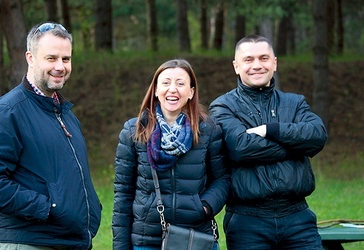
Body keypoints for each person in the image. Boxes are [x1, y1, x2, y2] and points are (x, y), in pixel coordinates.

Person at [0, 22, 102, 250]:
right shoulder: (8, 111)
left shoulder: (66, 115)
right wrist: (47, 206)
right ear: (30, 58)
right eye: (51, 58)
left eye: (66, 59)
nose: (60, 66)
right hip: (30, 243)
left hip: (70, 241)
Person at [209, 34, 328, 249]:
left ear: (274, 63)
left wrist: (270, 130)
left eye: (264, 58)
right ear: (236, 66)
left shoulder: (295, 102)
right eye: (248, 59)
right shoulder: (222, 107)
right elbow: (241, 148)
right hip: (248, 221)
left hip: (298, 217)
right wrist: (294, 146)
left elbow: (317, 136)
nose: (257, 65)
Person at [112, 59, 230, 250]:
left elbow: (222, 179)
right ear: (156, 90)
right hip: (147, 240)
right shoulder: (134, 131)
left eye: (180, 83)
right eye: (166, 83)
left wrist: (205, 207)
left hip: (195, 238)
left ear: (191, 92)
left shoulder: (209, 130)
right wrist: (120, 246)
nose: (172, 89)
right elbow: (123, 194)